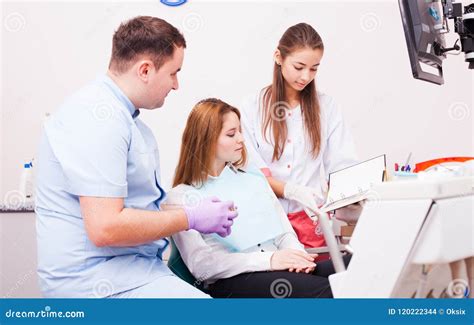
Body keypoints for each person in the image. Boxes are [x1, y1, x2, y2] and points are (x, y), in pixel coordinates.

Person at [34, 16, 237, 298]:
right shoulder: (98, 117)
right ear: (145, 70)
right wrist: (190, 217)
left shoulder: (126, 121)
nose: (176, 85)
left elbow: (130, 209)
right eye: (173, 72)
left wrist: (195, 209)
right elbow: (105, 227)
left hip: (133, 272)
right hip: (95, 284)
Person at [163, 98, 351, 298]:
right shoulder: (181, 196)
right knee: (331, 291)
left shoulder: (252, 178)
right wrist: (271, 260)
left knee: (359, 265)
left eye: (240, 131)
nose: (241, 139)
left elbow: (284, 233)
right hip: (235, 278)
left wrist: (297, 258)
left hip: (279, 265)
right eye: (231, 134)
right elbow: (202, 267)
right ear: (206, 140)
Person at [240, 23, 360, 253]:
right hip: (268, 221)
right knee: (280, 281)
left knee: (320, 282)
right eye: (299, 66)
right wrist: (291, 191)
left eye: (314, 69)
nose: (306, 76)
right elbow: (250, 173)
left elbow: (342, 164)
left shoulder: (327, 107)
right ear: (278, 57)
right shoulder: (252, 107)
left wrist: (354, 191)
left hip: (312, 221)